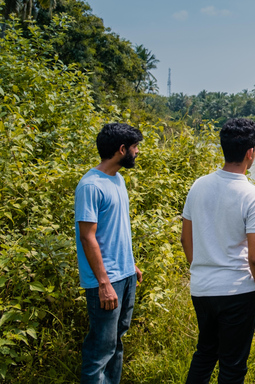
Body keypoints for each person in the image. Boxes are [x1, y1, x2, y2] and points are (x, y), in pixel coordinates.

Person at [181, 118, 255, 384]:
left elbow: (186, 240)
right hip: (237, 293)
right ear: (250, 152)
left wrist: (200, 271)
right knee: (232, 366)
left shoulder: (198, 186)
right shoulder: (253, 195)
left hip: (202, 289)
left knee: (205, 354)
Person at [75, 122, 144, 384]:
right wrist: (104, 283)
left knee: (116, 342)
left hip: (125, 274)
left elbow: (116, 229)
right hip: (106, 280)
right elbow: (87, 236)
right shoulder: (90, 185)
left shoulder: (118, 179)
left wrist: (131, 264)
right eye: (135, 147)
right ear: (122, 149)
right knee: (100, 350)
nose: (137, 152)